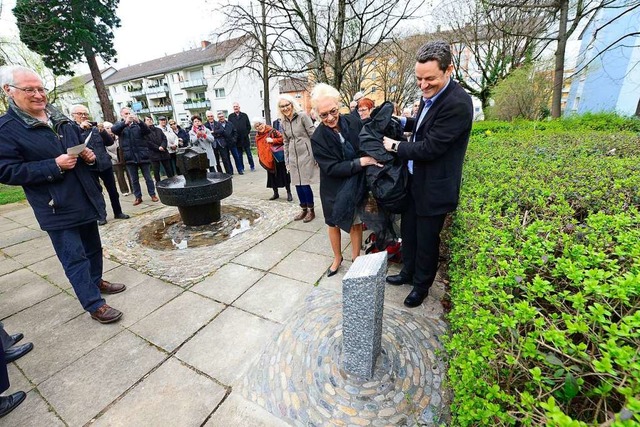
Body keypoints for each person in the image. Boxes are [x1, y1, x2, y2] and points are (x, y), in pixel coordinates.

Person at [0, 65, 126, 324]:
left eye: (40, 88)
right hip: (55, 205)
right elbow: (6, 170)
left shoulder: (59, 117)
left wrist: (87, 157)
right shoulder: (7, 128)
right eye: (29, 89)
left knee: (93, 248)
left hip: (83, 196)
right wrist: (53, 165)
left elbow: (74, 148)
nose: (38, 94)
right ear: (8, 91)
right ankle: (94, 304)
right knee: (74, 257)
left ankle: (95, 282)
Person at [382, 40, 473, 308]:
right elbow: (422, 127)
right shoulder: (431, 95)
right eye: (419, 79)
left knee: (426, 241)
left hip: (434, 187)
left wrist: (395, 146)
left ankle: (421, 286)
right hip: (415, 182)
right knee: (409, 233)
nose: (423, 85)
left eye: (429, 79)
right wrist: (400, 121)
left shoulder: (457, 103)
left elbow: (431, 147)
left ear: (449, 70)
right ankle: (407, 272)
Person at [309, 83, 381, 277]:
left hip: (355, 183)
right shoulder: (317, 137)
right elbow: (331, 167)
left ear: (338, 105)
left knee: (355, 221)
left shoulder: (353, 121)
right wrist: (360, 162)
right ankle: (337, 258)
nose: (330, 118)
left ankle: (355, 257)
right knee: (333, 223)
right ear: (316, 114)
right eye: (324, 115)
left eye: (333, 111)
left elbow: (365, 143)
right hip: (333, 187)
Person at [70, 105, 129, 225]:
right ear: (73, 116)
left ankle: (118, 212)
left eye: (85, 114)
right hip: (89, 166)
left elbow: (109, 142)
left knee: (113, 190)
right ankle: (101, 216)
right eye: (80, 114)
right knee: (96, 192)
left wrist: (103, 131)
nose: (83, 116)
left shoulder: (95, 128)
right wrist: (80, 129)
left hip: (105, 164)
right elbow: (72, 145)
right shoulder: (71, 129)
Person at [277, 94, 317, 222]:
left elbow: (313, 135)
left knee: (305, 183)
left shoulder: (303, 116)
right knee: (297, 184)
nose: (285, 108)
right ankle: (303, 209)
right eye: (282, 106)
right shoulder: (282, 122)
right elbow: (286, 141)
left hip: (306, 154)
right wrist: (287, 160)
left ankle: (311, 210)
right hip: (293, 156)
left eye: (287, 105)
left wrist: (316, 154)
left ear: (292, 104)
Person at [112, 107, 158, 205]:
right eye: (125, 114)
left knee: (148, 178)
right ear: (121, 115)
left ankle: (153, 194)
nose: (128, 115)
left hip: (142, 155)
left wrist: (140, 122)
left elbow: (147, 131)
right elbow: (114, 130)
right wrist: (125, 123)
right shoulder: (119, 125)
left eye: (129, 113)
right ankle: (138, 197)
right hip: (129, 157)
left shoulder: (138, 124)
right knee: (134, 180)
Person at [253, 117, 293, 201]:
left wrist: (273, 140)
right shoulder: (257, 136)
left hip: (277, 157)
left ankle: (289, 193)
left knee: (284, 176)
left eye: (260, 124)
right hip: (268, 159)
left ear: (263, 123)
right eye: (257, 126)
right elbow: (259, 147)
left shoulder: (272, 131)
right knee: (272, 177)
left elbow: (283, 139)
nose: (259, 127)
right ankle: (276, 193)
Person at [103, 121, 131, 196]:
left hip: (123, 157)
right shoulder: (104, 139)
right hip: (114, 160)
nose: (109, 129)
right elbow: (107, 151)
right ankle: (124, 190)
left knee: (130, 173)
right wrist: (116, 157)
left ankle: (133, 188)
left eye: (110, 127)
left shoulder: (118, 136)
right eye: (107, 128)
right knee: (120, 176)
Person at [144, 116, 174, 182]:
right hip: (153, 154)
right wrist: (158, 148)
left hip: (163, 152)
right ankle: (158, 184)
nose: (149, 121)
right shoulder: (145, 132)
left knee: (168, 169)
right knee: (156, 171)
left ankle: (172, 182)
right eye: (147, 120)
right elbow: (148, 142)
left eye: (150, 119)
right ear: (145, 122)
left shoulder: (158, 130)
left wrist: (163, 146)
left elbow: (164, 139)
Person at [227, 102, 255, 172]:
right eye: (234, 107)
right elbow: (230, 127)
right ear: (233, 108)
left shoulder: (244, 115)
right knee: (239, 155)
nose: (235, 108)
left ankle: (252, 166)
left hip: (245, 138)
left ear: (239, 107)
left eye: (237, 106)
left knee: (249, 154)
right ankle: (241, 168)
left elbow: (248, 126)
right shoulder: (230, 116)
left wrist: (246, 133)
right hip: (237, 139)